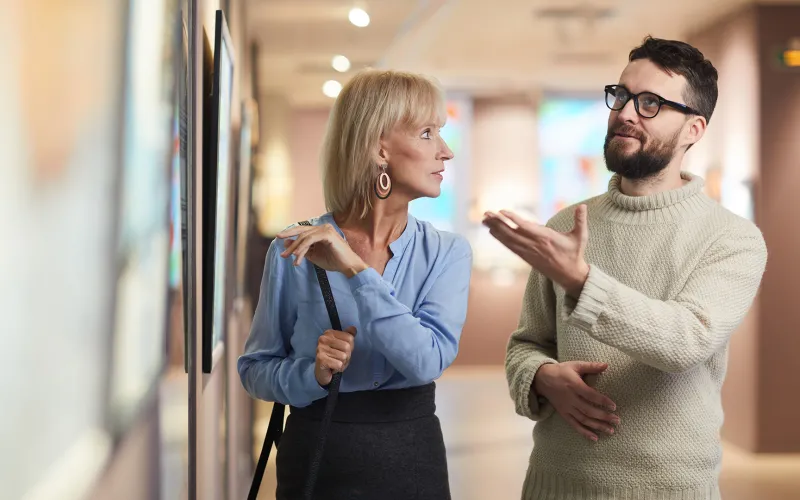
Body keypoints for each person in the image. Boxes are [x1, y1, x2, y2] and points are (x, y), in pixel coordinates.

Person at [483, 36, 768, 499]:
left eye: (651, 103)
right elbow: (526, 345)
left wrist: (581, 281)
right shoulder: (567, 224)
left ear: (694, 130)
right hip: (554, 485)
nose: (626, 112)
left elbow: (686, 339)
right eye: (622, 95)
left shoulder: (732, 238)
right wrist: (539, 377)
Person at [238, 68, 472, 500]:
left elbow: (426, 361)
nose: (446, 151)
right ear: (379, 146)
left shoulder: (447, 252)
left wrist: (351, 267)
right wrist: (312, 374)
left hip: (412, 459)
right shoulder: (295, 248)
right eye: (427, 133)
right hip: (316, 460)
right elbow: (254, 371)